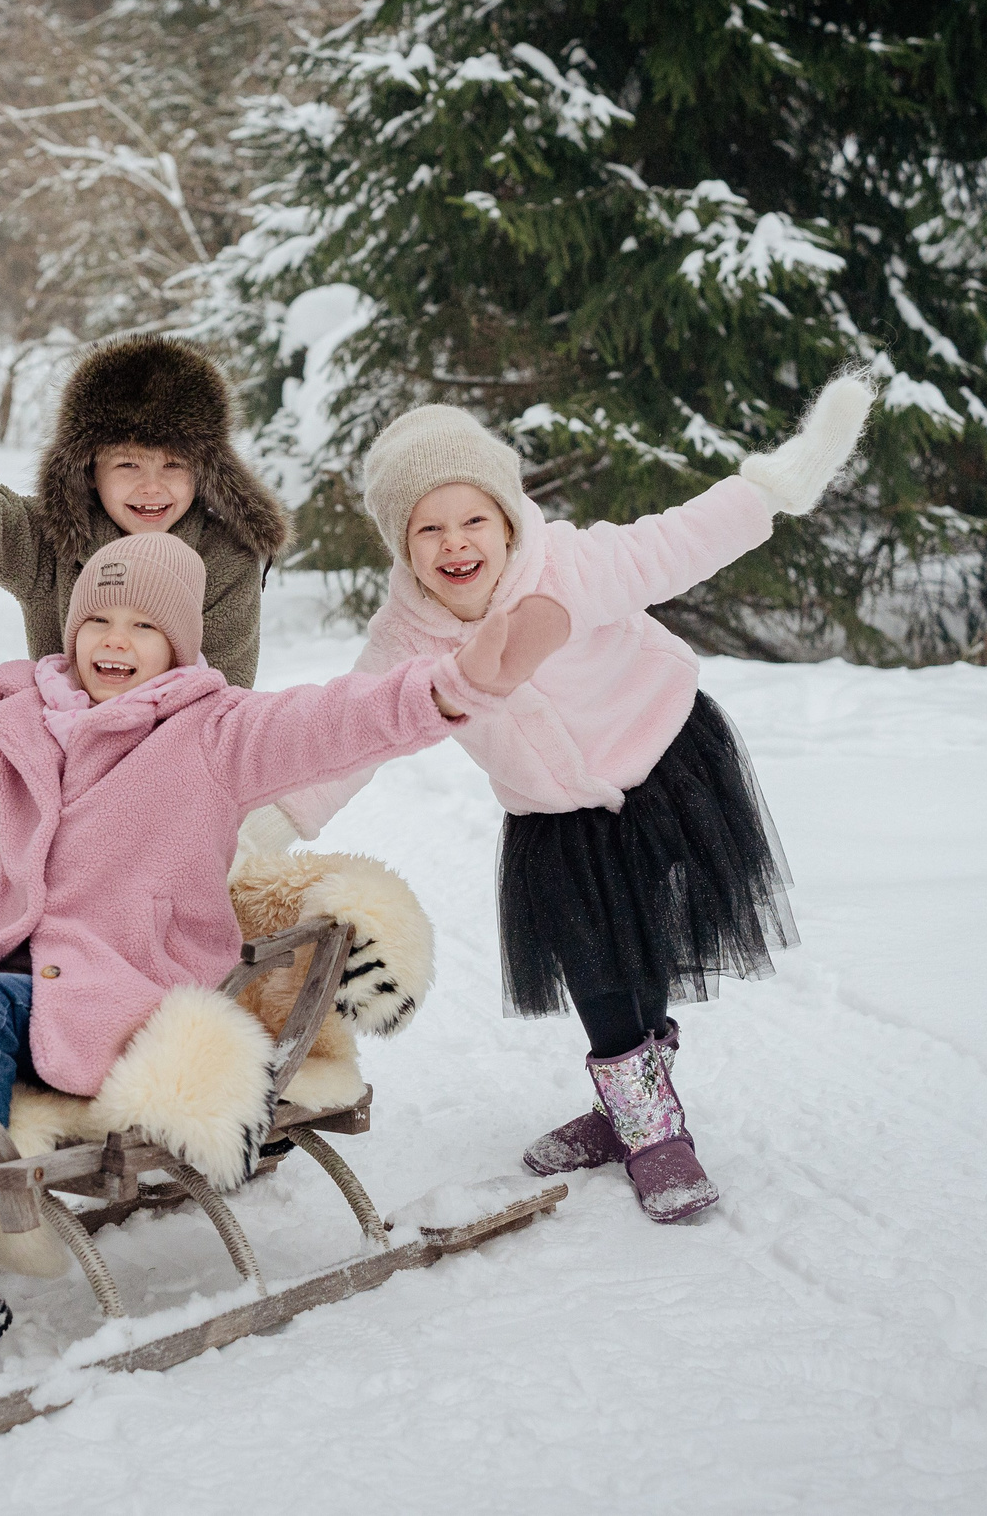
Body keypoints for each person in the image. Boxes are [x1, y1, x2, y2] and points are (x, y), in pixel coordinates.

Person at [0, 529, 565, 1387]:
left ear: (180, 646)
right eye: (98, 621)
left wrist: (453, 686)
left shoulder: (214, 736)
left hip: (124, 1000)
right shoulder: (5, 725)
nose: (114, 642)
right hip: (9, 983)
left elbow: (336, 720)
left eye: (142, 627)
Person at [250, 377, 874, 1222]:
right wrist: (276, 819)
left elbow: (677, 542)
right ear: (403, 546)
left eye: (473, 518)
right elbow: (361, 730)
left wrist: (773, 486)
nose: (455, 543)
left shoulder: (570, 566)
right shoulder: (408, 634)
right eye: (427, 528)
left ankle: (651, 1128)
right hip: (554, 812)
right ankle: (636, 1114)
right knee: (596, 965)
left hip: (663, 762)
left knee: (645, 945)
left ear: (507, 519)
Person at [0, 326, 287, 689]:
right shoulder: (53, 543)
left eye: (174, 464)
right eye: (127, 463)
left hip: (174, 775)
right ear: (88, 469)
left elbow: (224, 699)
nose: (151, 487)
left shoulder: (227, 557)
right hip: (57, 765)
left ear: (206, 470)